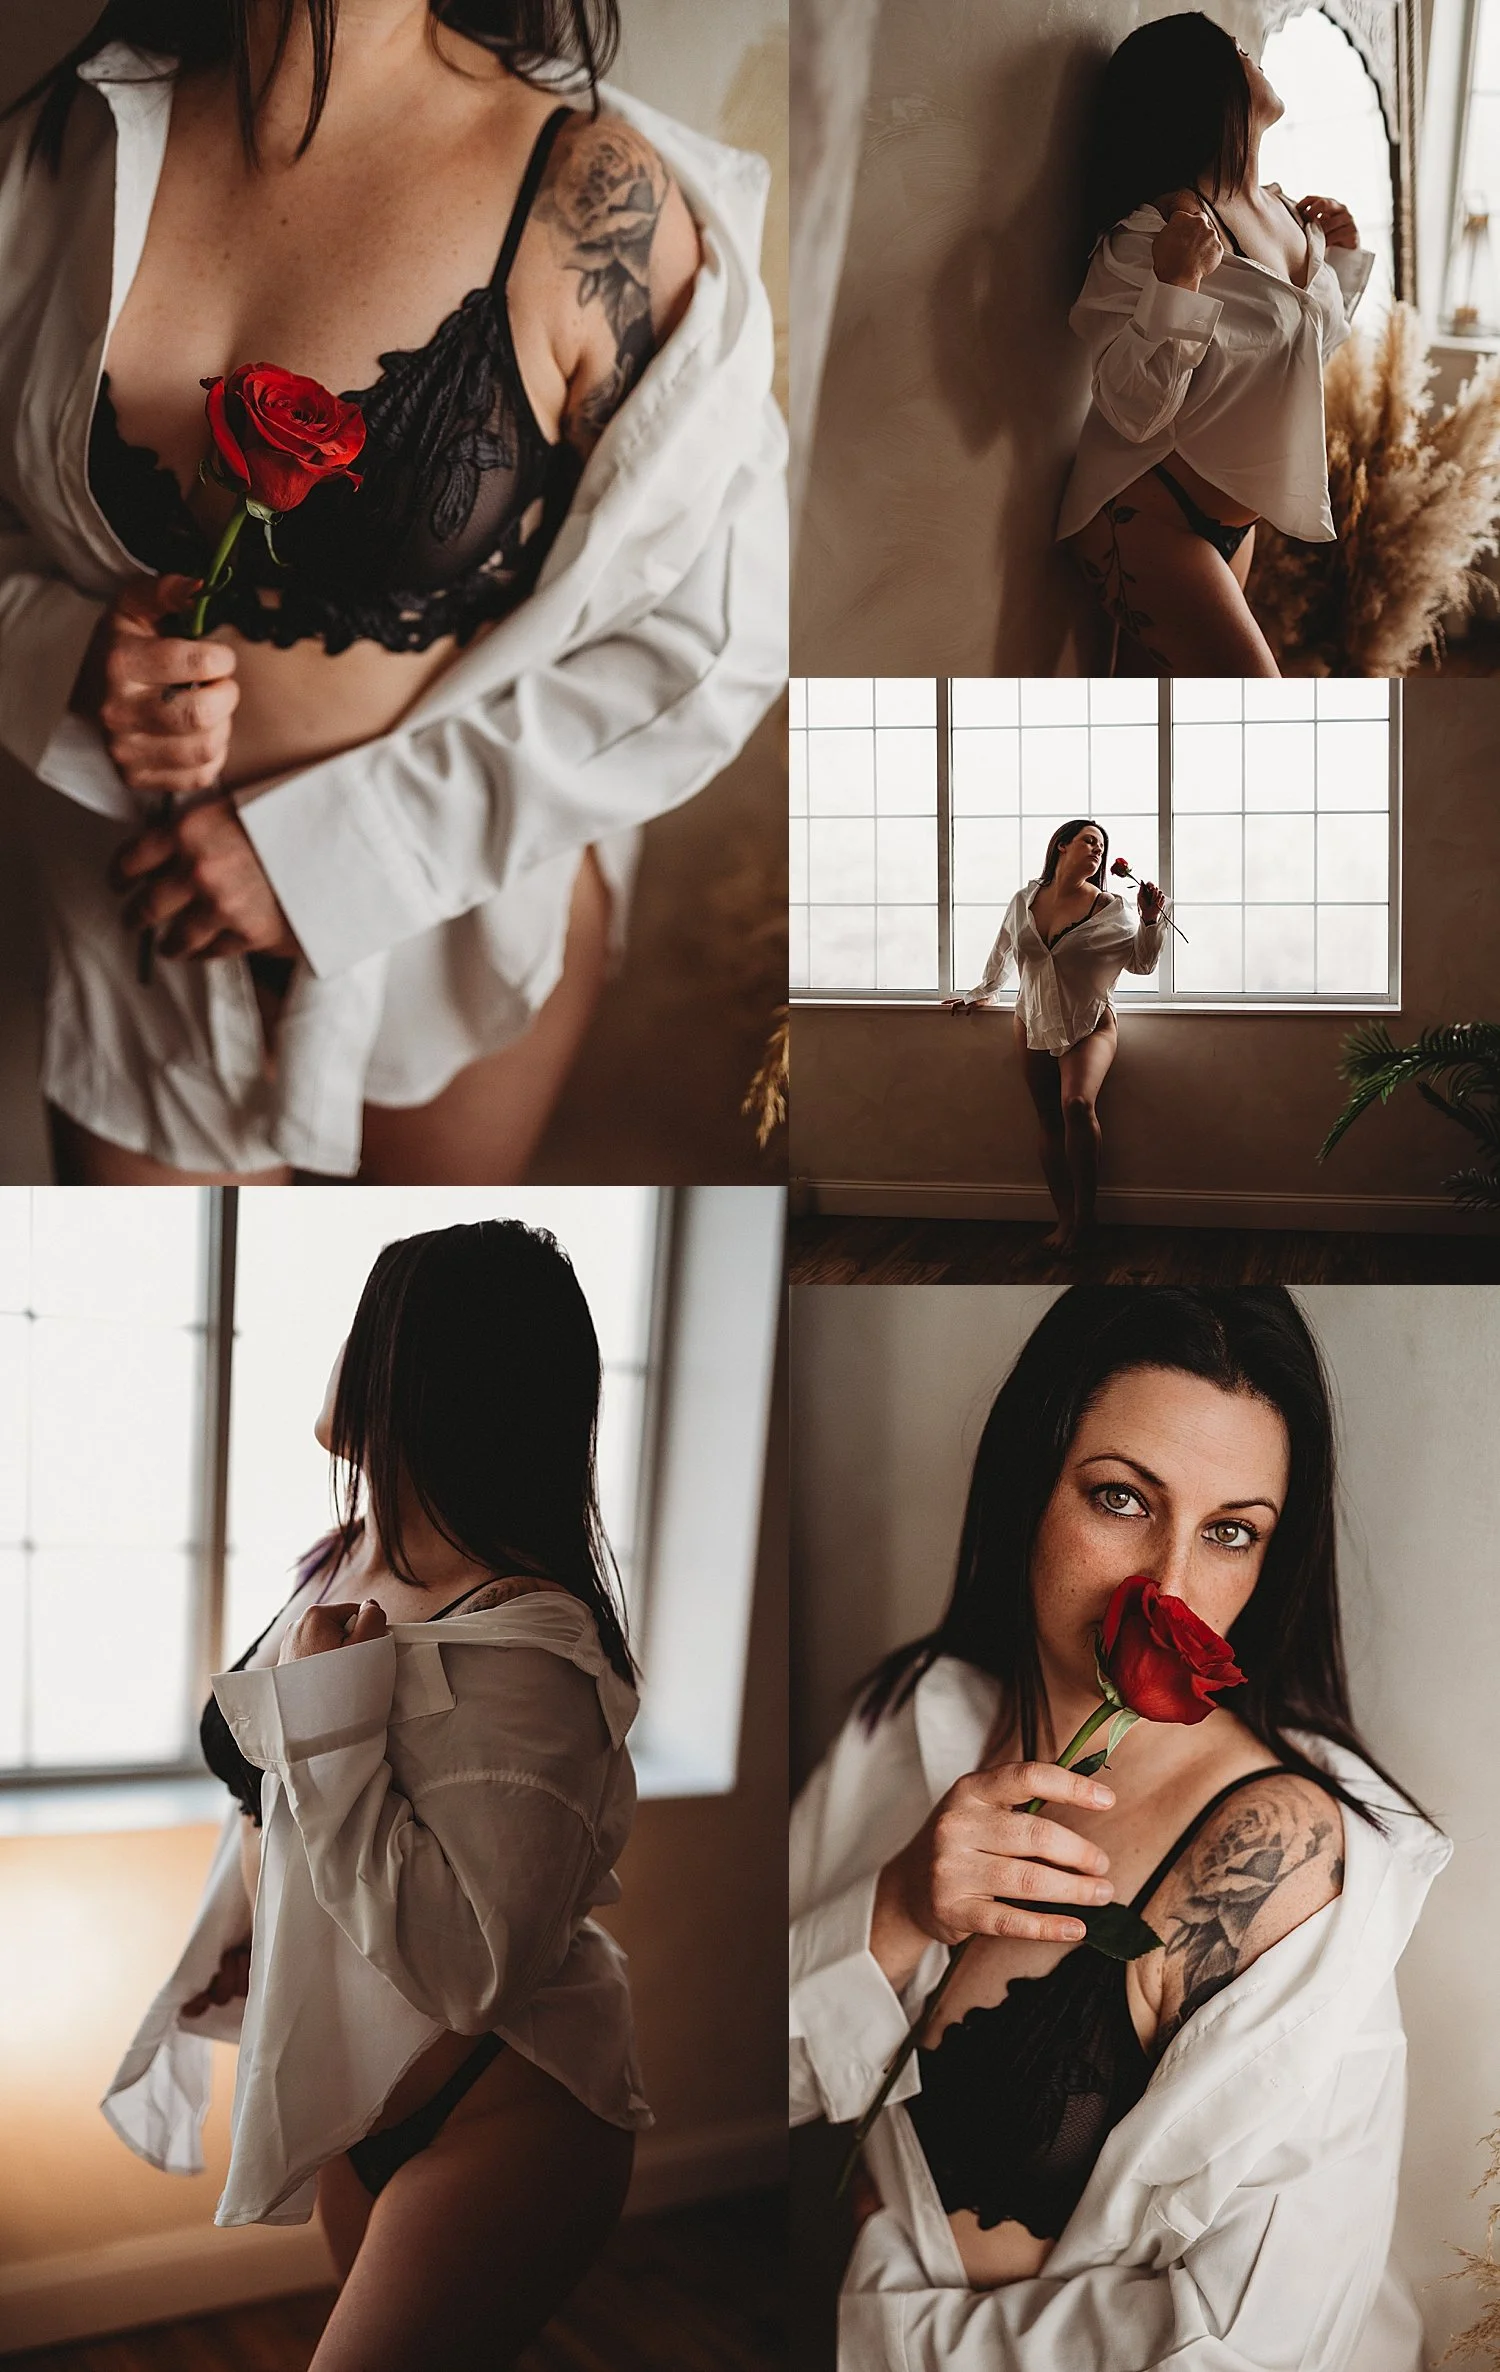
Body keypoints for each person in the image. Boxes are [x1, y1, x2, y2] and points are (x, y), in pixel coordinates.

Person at [0, 0, 785, 1183]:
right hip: (132, 917)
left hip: (452, 912)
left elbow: (710, 636)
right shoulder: (62, 153)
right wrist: (61, 652)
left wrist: (336, 857)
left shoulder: (590, 197)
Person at [790, 1286, 1449, 2371]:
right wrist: (899, 1908)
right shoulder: (909, 1718)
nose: (1172, 1587)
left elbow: (1256, 2344)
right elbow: (769, 2063)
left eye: (1230, 1530)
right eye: (1123, 1499)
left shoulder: (1283, 1857)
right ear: (1027, 1486)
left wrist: (883, 2314)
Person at [102, 1220, 650, 2372]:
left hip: (507, 2106)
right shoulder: (342, 1551)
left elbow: (469, 1971)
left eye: (375, 1329)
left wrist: (337, 1717)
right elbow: (276, 1799)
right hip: (361, 2098)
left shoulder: (529, 1647)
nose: (346, 1356)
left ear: (435, 1372)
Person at [1056, 14, 1370, 674]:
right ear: (1198, 89)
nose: (1251, 55)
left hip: (1232, 527)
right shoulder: (1153, 236)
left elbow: (1299, 366)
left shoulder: (1287, 216)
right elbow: (1132, 411)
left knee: (1162, 723)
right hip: (1146, 518)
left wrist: (1337, 259)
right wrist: (1176, 281)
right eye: (1234, 51)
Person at [944, 820, 1166, 1252]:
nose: (1098, 851)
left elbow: (1141, 964)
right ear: (1062, 845)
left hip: (1090, 1023)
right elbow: (1003, 951)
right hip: (1032, 1018)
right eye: (1089, 841)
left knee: (1077, 1105)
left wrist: (1150, 920)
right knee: (1047, 1117)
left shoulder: (1112, 908)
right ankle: (1063, 1220)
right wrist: (979, 994)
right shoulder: (1024, 900)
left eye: (1103, 847)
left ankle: (1086, 1220)